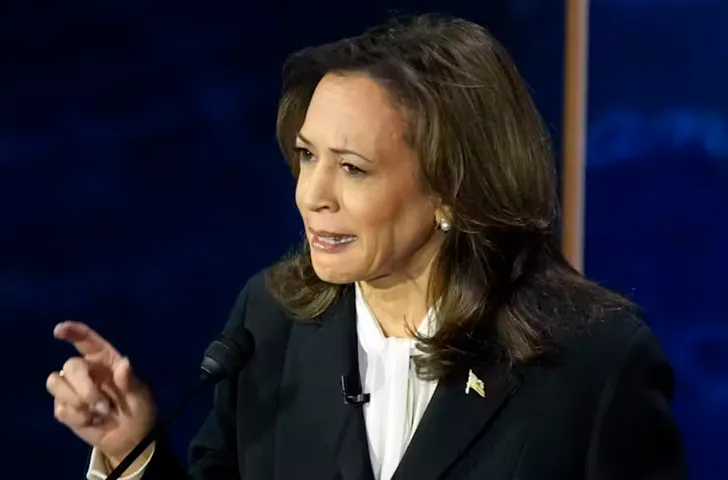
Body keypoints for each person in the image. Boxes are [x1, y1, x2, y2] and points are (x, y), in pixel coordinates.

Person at [46, 14, 687, 480]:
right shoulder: (272, 322)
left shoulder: (591, 360)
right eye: (306, 156)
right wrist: (133, 450)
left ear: (451, 191)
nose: (311, 195)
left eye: (352, 167)